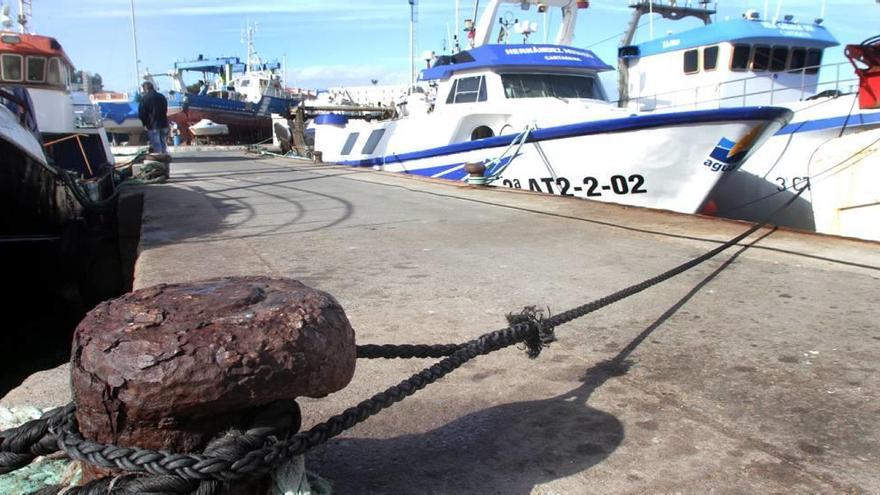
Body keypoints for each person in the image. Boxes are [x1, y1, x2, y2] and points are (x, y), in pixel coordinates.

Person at [138, 81, 169, 154]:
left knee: (156, 144)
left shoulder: (144, 99)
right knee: (163, 143)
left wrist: (144, 124)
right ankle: (164, 157)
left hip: (152, 125)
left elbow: (142, 113)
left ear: (145, 89)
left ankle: (159, 160)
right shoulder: (162, 96)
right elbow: (165, 109)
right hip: (164, 123)